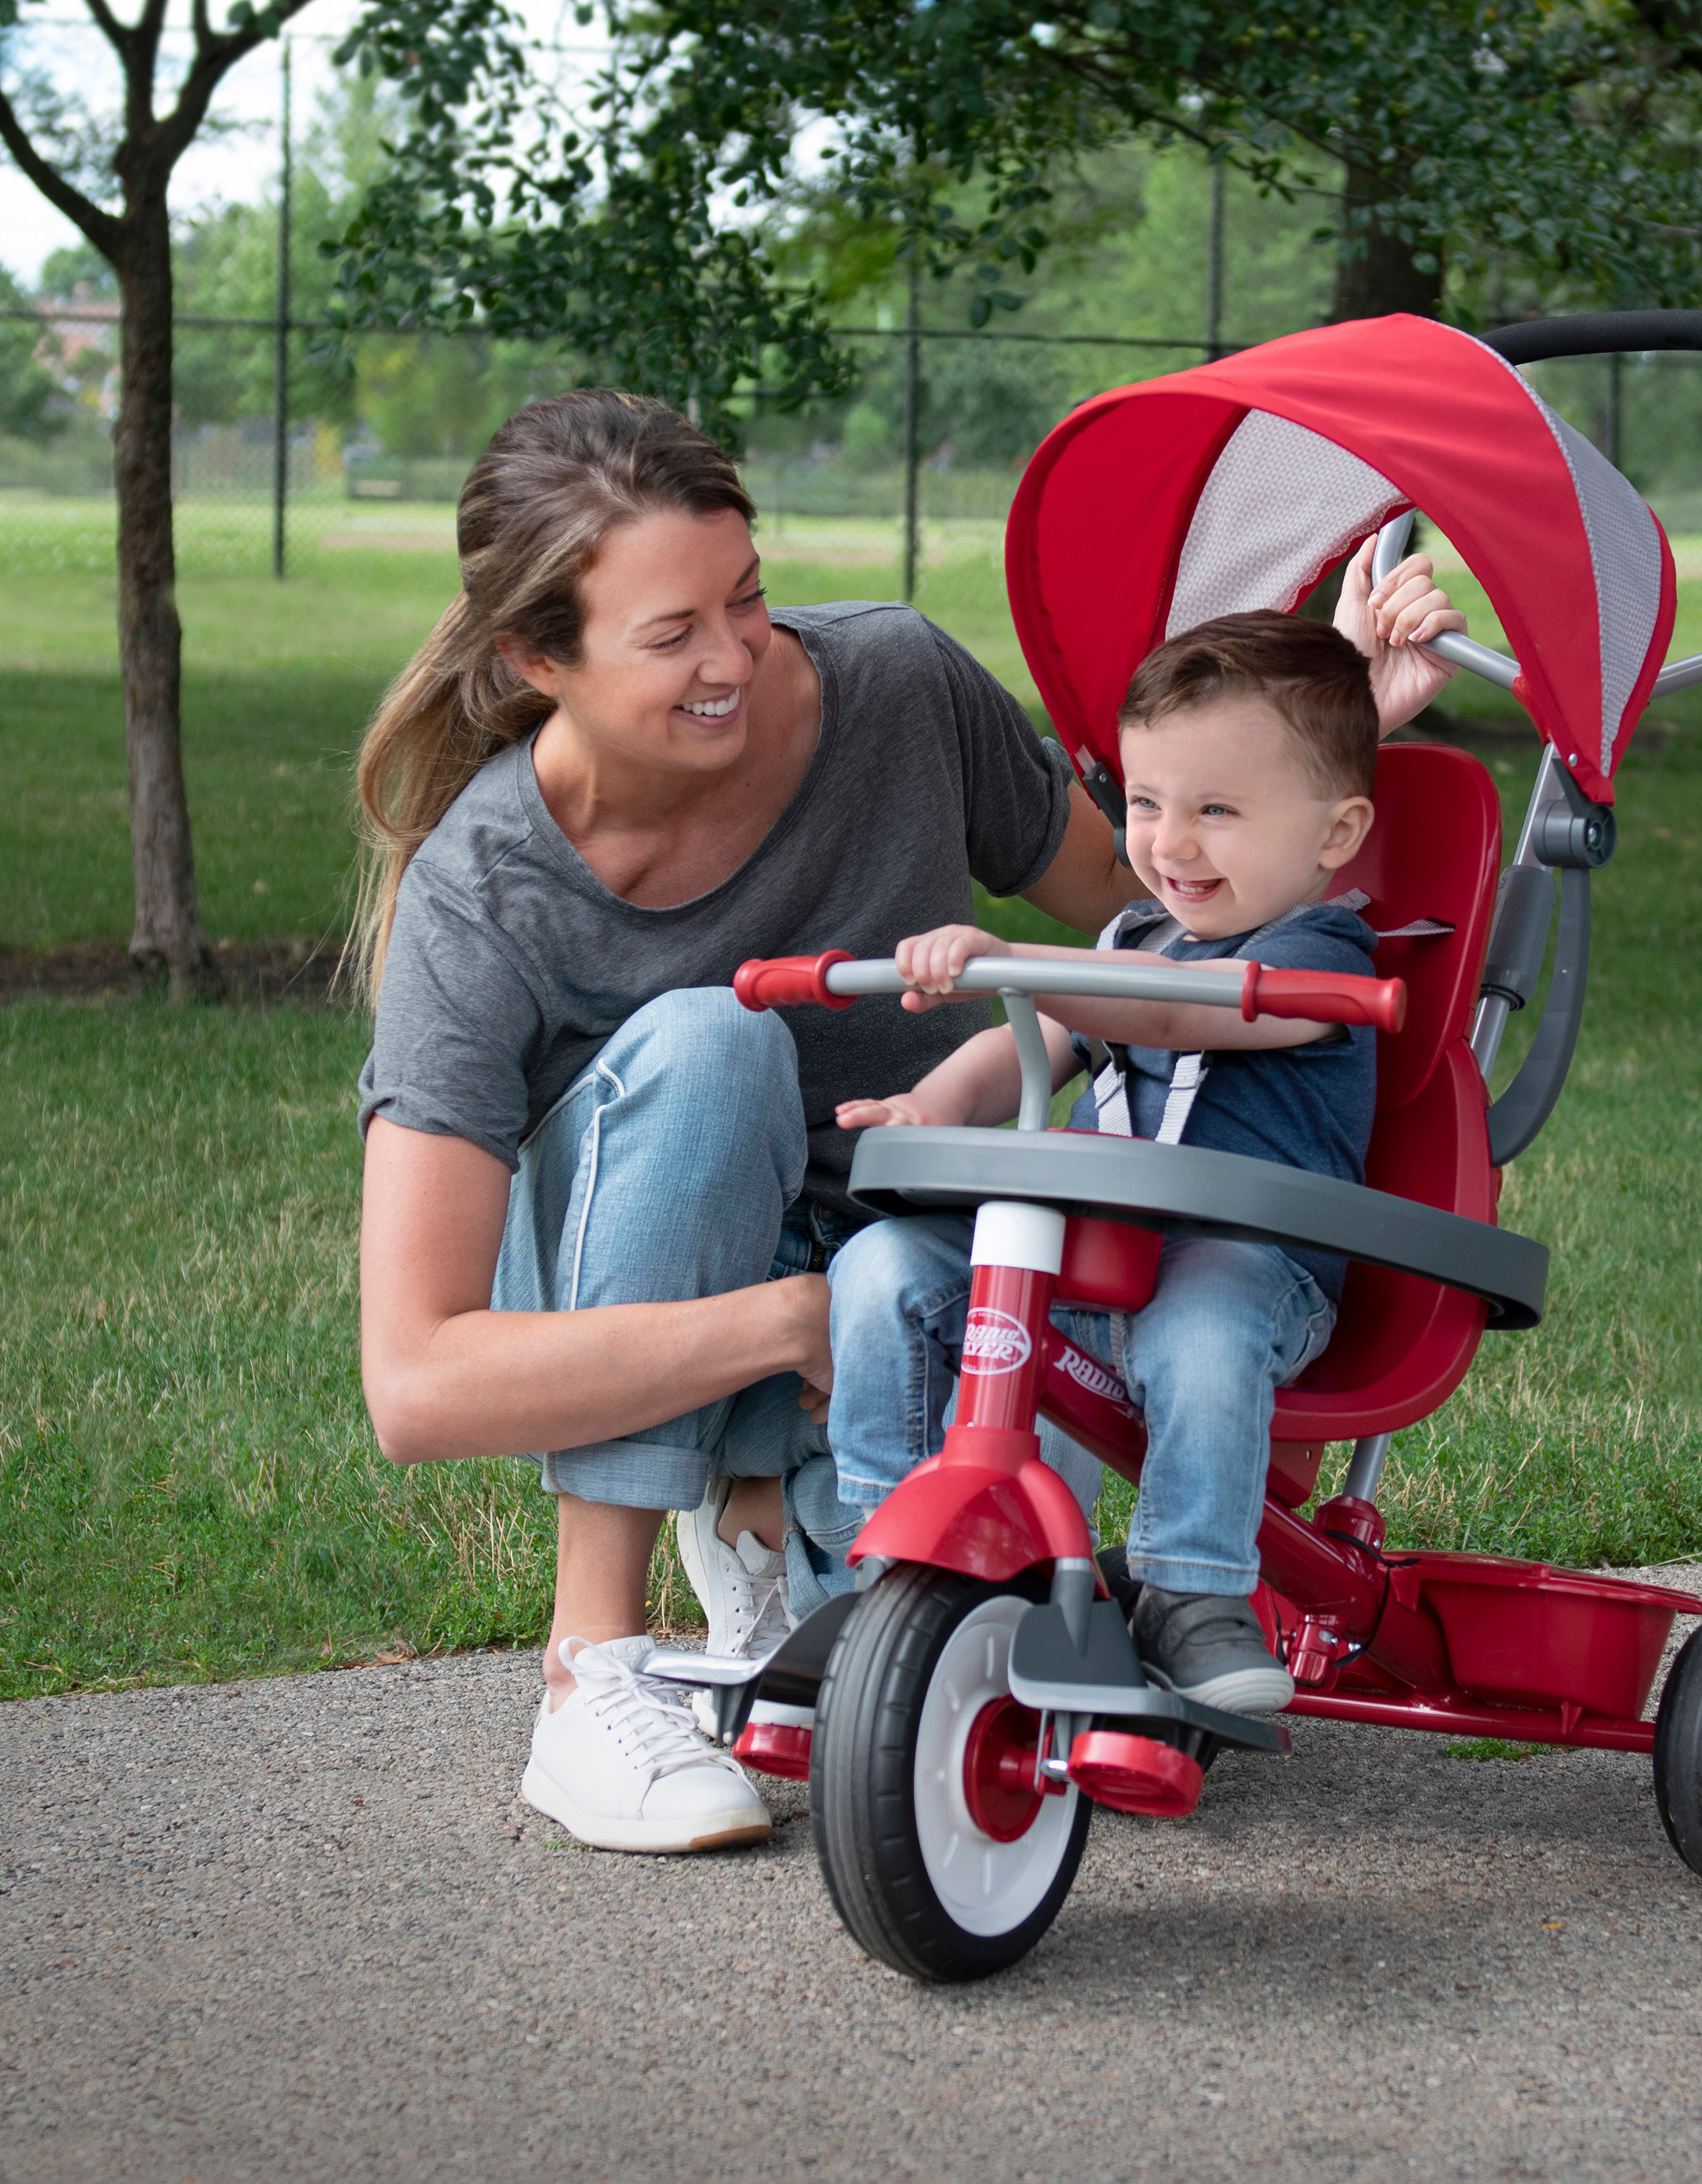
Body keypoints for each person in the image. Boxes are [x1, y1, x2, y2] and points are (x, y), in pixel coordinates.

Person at [352, 388, 1465, 1849]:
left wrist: (1327, 756)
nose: (735, 659)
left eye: (744, 601)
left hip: (931, 1258)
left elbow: (1155, 938)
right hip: (691, 1297)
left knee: (977, 1675)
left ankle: (765, 1518)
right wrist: (783, 1320)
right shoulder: (483, 892)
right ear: (533, 660)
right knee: (714, 1036)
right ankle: (593, 1672)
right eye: (671, 634)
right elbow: (418, 1387)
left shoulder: (894, 685)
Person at [825, 610, 1396, 1715]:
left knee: (1202, 1324)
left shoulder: (1319, 957)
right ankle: (889, 1561)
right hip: (1096, 1264)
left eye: (1216, 812)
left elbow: (1174, 1023)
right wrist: (926, 1105)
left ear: (1336, 835)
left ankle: (1192, 1590)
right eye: (1144, 804)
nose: (1170, 844)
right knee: (887, 1266)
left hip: (1246, 1266)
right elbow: (1028, 1044)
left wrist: (1009, 959)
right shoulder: (1134, 941)